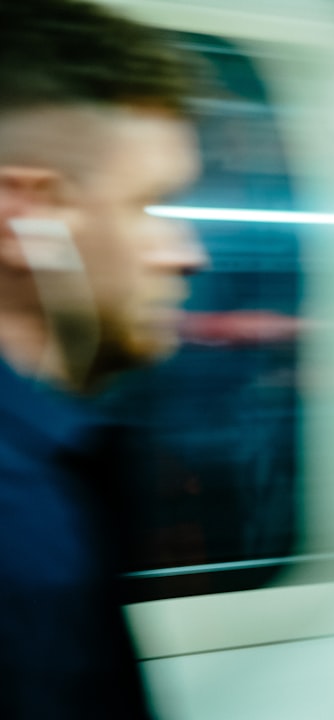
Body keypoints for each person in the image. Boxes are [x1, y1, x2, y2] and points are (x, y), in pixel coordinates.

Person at [0, 2, 204, 717]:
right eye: (149, 205)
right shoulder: (21, 526)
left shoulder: (51, 461)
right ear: (29, 215)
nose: (189, 255)